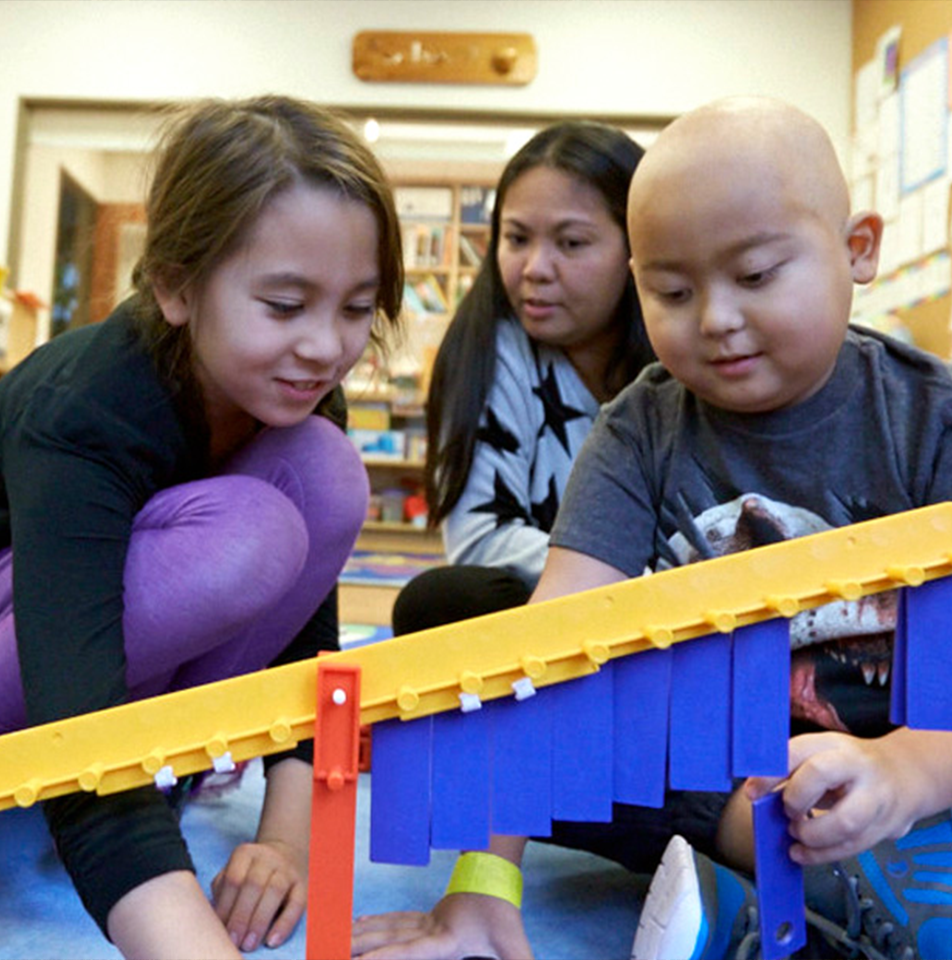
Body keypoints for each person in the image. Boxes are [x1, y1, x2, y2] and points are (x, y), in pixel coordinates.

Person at [352, 96, 952, 960]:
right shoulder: (640, 429)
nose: (713, 319)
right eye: (671, 290)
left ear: (857, 250)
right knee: (477, 722)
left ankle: (785, 906)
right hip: (718, 775)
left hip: (913, 754)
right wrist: (484, 884)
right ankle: (807, 889)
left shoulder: (926, 419)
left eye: (753, 277)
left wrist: (906, 772)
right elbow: (551, 650)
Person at [0, 95, 403, 958]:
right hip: (27, 644)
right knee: (246, 538)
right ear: (176, 284)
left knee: (324, 472)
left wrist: (287, 838)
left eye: (356, 308)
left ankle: (172, 766)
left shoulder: (289, 386)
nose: (327, 348)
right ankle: (152, 788)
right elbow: (82, 737)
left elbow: (307, 634)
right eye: (286, 305)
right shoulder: (87, 410)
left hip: (86, 664)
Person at [390, 120, 654, 637]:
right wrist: (618, 580)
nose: (535, 268)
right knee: (442, 601)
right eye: (516, 238)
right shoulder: (491, 350)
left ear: (636, 251)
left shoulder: (680, 360)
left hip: (669, 626)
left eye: (572, 243)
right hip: (559, 615)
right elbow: (479, 539)